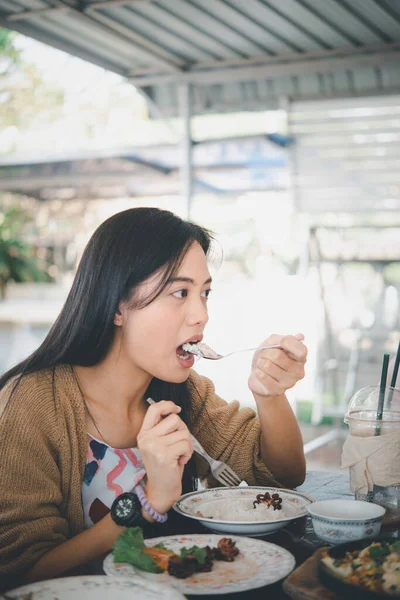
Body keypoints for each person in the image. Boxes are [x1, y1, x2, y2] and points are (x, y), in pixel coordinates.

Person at [0, 207, 307, 591]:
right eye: (180, 292)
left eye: (205, 293)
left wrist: (270, 395)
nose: (201, 314)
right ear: (116, 306)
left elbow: (282, 475)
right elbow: (22, 575)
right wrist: (149, 499)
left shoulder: (183, 391)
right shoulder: (32, 403)